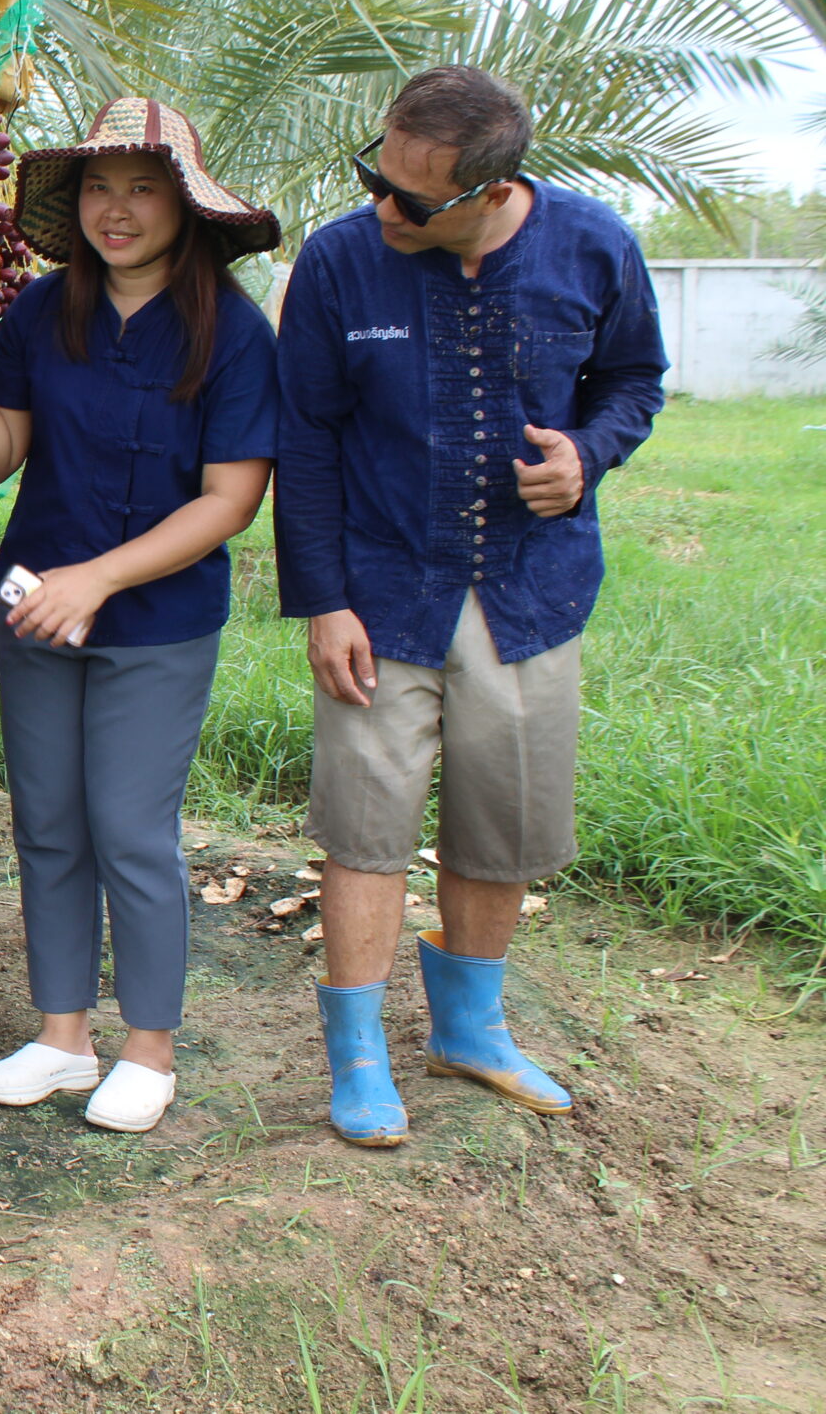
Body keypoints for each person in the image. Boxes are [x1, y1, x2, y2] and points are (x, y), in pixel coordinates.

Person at [275, 65, 666, 1146]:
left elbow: (634, 379)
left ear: (491, 193)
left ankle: (470, 1031)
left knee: (504, 821)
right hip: (381, 590)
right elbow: (303, 439)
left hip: (531, 594)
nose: (380, 207)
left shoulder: (592, 247)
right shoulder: (340, 262)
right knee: (363, 828)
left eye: (411, 198)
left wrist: (586, 456)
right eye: (374, 176)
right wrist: (321, 599)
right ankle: (356, 1059)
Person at [0, 99, 282, 1135]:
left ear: (187, 205)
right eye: (97, 187)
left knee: (130, 830)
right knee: (47, 827)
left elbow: (229, 501)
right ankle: (62, 1038)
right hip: (37, 611)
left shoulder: (233, 331)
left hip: (157, 621)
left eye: (141, 187)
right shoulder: (41, 312)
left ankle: (150, 1052)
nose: (114, 211)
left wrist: (99, 579)